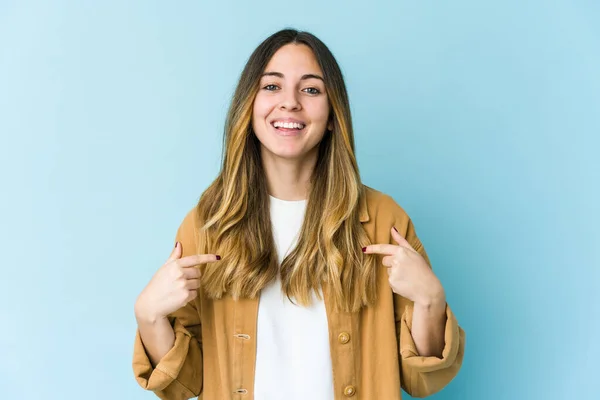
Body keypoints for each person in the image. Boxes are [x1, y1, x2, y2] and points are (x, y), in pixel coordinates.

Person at [132, 28, 465, 400]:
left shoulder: (382, 219)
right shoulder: (209, 223)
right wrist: (149, 316)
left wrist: (430, 300)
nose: (289, 102)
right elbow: (183, 383)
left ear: (333, 113)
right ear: (248, 106)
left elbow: (422, 378)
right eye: (271, 86)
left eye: (310, 89)